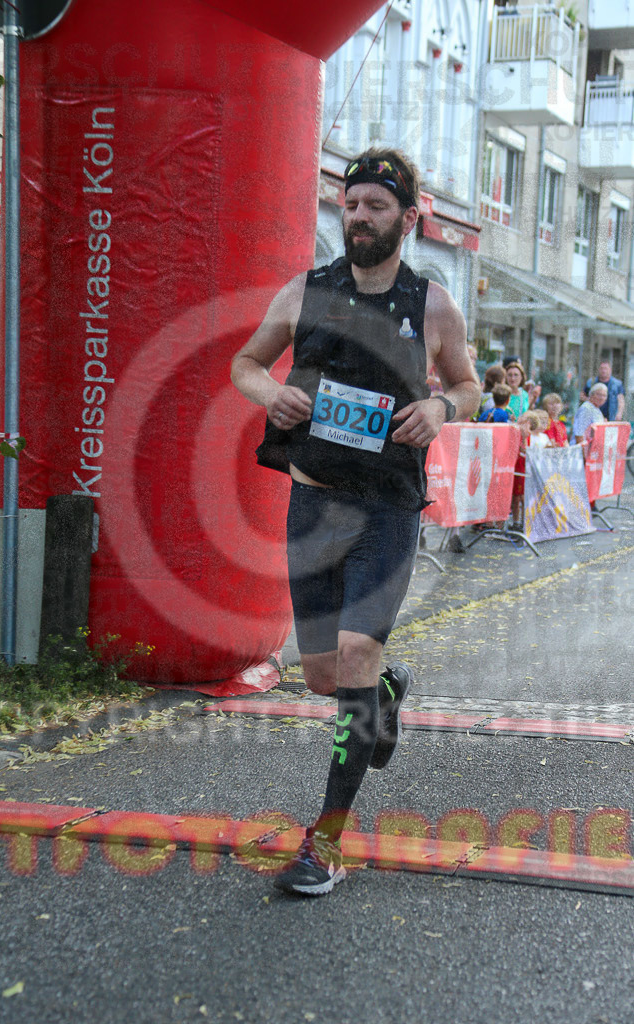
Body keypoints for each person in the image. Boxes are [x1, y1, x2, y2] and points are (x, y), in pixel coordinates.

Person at [231, 148, 480, 897]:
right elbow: (246, 363)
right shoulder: (304, 292)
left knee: (355, 661)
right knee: (321, 679)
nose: (359, 217)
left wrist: (439, 407)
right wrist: (266, 396)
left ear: (408, 220)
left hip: (386, 511)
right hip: (313, 502)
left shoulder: (432, 304)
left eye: (375, 206)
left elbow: (467, 384)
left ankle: (326, 840)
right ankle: (386, 699)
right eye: (350, 204)